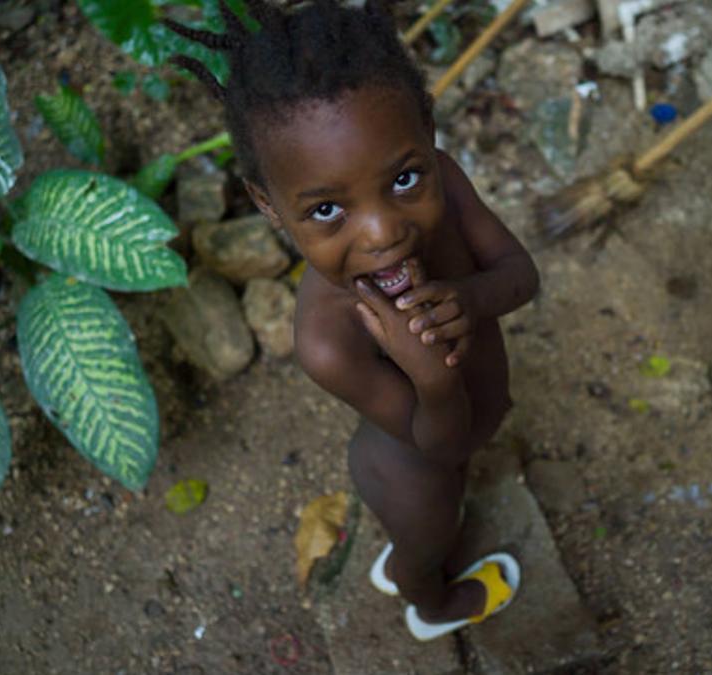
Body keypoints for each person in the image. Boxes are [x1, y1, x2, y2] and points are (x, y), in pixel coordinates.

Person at [165, 0, 539, 640]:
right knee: (430, 539)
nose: (383, 232)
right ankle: (430, 604)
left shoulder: (446, 183)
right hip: (410, 470)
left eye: (403, 178)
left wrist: (470, 300)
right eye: (328, 211)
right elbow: (443, 445)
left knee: (435, 521)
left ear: (427, 129)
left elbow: (519, 276)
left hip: (455, 432)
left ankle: (406, 566)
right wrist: (436, 378)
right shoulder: (326, 342)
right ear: (270, 206)